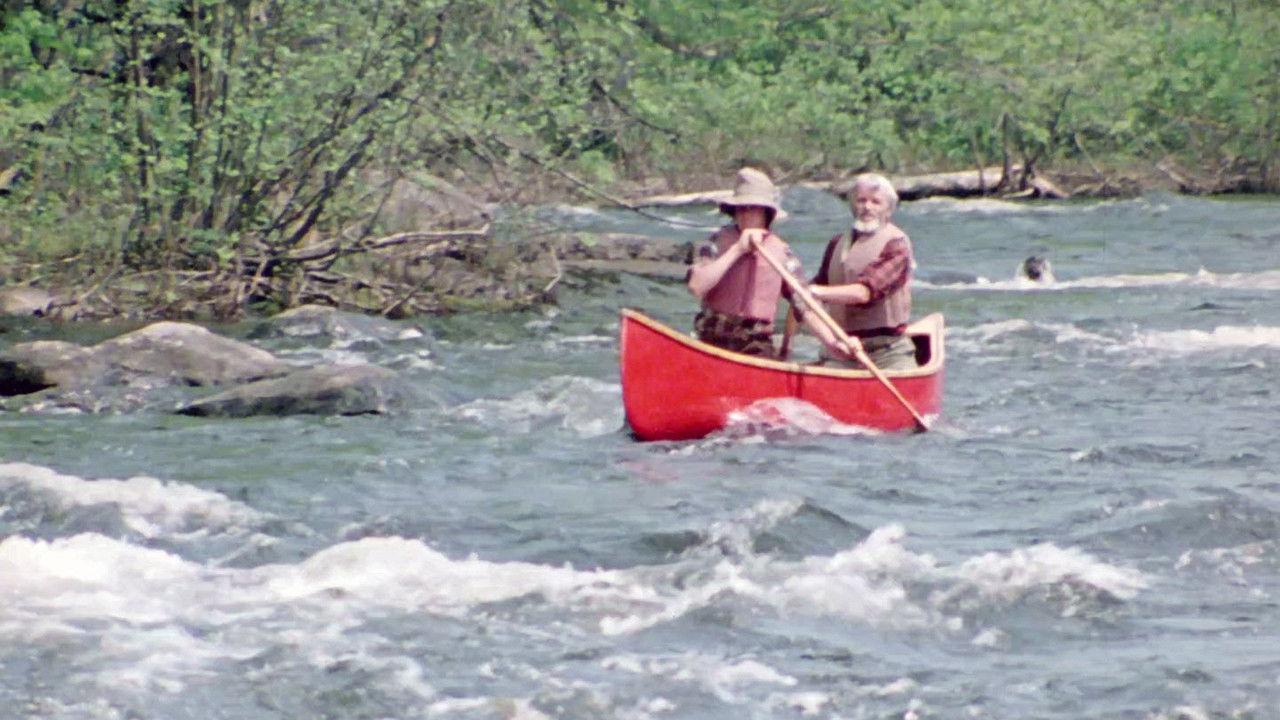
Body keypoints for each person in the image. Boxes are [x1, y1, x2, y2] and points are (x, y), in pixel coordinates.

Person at [686, 167, 857, 360]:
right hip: (711, 339)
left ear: (766, 213)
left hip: (754, 345)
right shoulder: (716, 241)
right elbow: (696, 286)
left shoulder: (782, 253)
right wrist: (737, 250)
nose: (744, 215)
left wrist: (832, 342)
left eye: (751, 209)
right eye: (740, 209)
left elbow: (805, 306)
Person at [808, 173, 918, 370]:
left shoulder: (897, 244)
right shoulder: (836, 244)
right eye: (861, 200)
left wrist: (815, 292)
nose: (867, 207)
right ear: (853, 206)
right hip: (843, 348)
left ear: (888, 209)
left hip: (888, 352)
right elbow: (807, 297)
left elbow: (864, 292)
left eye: (876, 202)